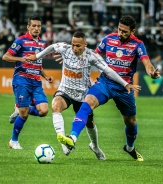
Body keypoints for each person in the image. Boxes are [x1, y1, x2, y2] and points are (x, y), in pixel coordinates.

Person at [56, 15, 161, 161]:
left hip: (125, 88)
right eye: (119, 30)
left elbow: (147, 63)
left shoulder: (138, 45)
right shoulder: (108, 39)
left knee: (130, 122)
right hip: (105, 83)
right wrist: (73, 55)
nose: (120, 33)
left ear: (133, 31)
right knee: (87, 103)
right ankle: (72, 138)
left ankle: (129, 147)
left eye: (125, 31)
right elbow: (93, 54)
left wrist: (151, 72)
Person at [26, 31, 141, 160]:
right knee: (56, 106)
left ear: (85, 44)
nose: (74, 48)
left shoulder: (91, 56)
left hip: (82, 94)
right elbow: (52, 47)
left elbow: (108, 70)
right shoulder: (65, 49)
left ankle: (96, 147)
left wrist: (125, 84)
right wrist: (38, 56)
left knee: (90, 123)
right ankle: (64, 143)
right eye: (73, 45)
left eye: (78, 46)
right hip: (65, 90)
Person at [2, 15, 50, 150]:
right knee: (24, 114)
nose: (36, 28)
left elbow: (38, 64)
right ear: (28, 27)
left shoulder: (42, 44)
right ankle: (13, 141)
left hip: (36, 82)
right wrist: (21, 59)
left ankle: (20, 108)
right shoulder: (21, 41)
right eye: (33, 26)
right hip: (22, 80)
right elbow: (5, 56)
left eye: (38, 26)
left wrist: (45, 76)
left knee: (44, 111)